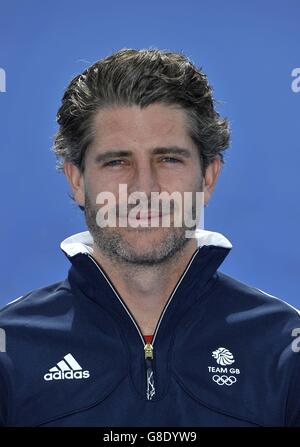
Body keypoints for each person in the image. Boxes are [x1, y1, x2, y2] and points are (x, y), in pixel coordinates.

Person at [0, 48, 299, 427]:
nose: (144, 188)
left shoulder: (283, 349)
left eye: (169, 159)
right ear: (76, 180)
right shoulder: (9, 351)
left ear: (208, 177)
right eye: (117, 161)